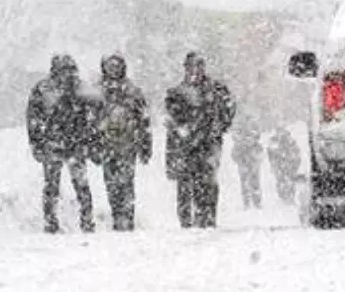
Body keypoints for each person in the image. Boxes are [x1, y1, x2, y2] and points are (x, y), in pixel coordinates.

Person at [27, 55, 100, 234]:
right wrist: (36, 143)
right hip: (53, 144)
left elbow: (95, 113)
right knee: (52, 185)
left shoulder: (80, 88)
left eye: (70, 69)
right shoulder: (44, 89)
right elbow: (33, 117)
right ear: (55, 70)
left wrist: (91, 140)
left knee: (81, 185)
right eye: (63, 69)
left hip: (74, 144)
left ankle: (87, 220)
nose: (67, 74)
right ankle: (51, 221)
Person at [165, 52, 236, 228]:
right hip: (186, 144)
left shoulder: (216, 89)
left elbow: (229, 106)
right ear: (186, 69)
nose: (195, 71)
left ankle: (208, 217)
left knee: (208, 181)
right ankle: (186, 220)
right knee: (185, 182)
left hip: (209, 143)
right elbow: (172, 119)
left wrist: (221, 126)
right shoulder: (177, 92)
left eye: (198, 66)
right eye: (191, 67)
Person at [96, 53, 152, 231]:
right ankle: (117, 216)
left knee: (126, 183)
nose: (113, 69)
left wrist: (146, 145)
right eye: (110, 66)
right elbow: (89, 120)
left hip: (128, 145)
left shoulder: (133, 90)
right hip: (107, 145)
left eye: (117, 65)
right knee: (111, 184)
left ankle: (127, 219)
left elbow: (144, 119)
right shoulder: (97, 91)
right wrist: (92, 145)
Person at [231, 110, 263, 210]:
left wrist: (248, 139)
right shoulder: (241, 125)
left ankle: (254, 202)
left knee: (252, 180)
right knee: (247, 180)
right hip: (244, 155)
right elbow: (235, 136)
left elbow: (257, 135)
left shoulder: (251, 125)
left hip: (250, 155)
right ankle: (249, 202)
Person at [267, 126, 302, 202]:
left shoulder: (290, 141)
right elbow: (270, 153)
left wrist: (295, 163)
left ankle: (289, 197)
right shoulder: (274, 140)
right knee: (282, 180)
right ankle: (285, 196)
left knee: (288, 180)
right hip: (282, 163)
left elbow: (297, 152)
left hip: (288, 163)